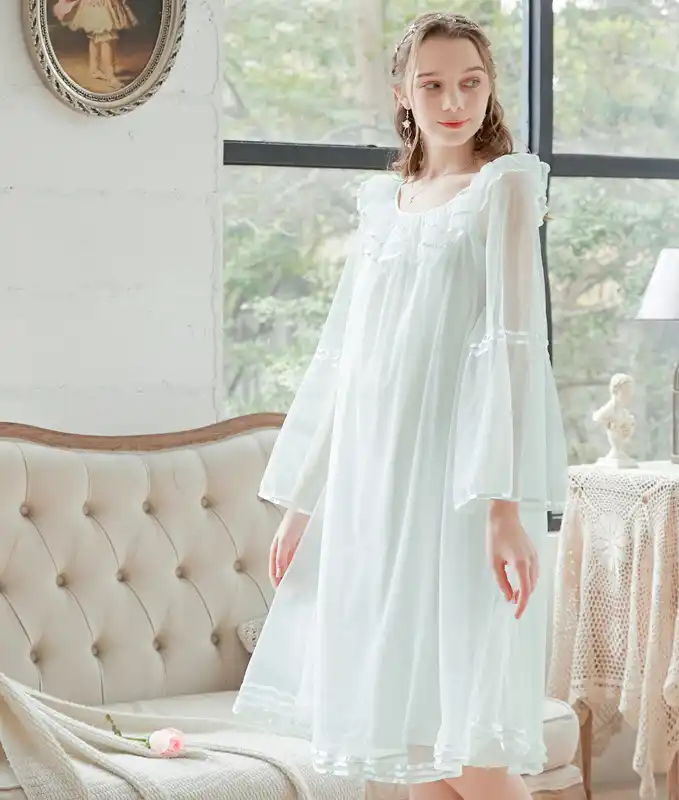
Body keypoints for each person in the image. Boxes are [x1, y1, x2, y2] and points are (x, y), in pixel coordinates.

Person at [233, 11, 568, 800]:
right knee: (412, 744)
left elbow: (513, 350)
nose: (454, 102)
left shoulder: (505, 188)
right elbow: (344, 357)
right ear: (403, 94)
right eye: (434, 84)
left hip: (459, 484)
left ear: (490, 88)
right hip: (374, 484)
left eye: (471, 83)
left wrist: (504, 506)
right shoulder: (383, 202)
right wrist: (306, 502)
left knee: (469, 751)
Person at [53, 0, 138, 90]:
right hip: (97, 4)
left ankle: (95, 69)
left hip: (103, 4)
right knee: (105, 37)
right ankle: (110, 76)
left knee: (97, 36)